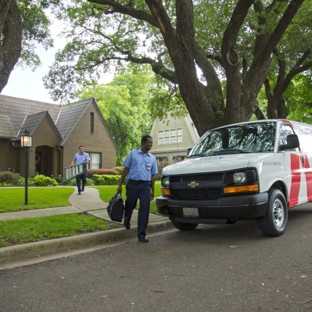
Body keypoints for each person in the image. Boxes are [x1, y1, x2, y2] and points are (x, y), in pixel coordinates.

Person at [117, 135, 158, 243]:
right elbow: (126, 169)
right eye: (149, 142)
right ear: (143, 143)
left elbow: (153, 175)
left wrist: (153, 191)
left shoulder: (152, 158)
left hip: (145, 185)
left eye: (151, 142)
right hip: (133, 184)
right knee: (130, 205)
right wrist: (120, 184)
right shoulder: (133, 154)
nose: (151, 144)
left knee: (145, 208)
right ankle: (127, 217)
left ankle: (141, 234)